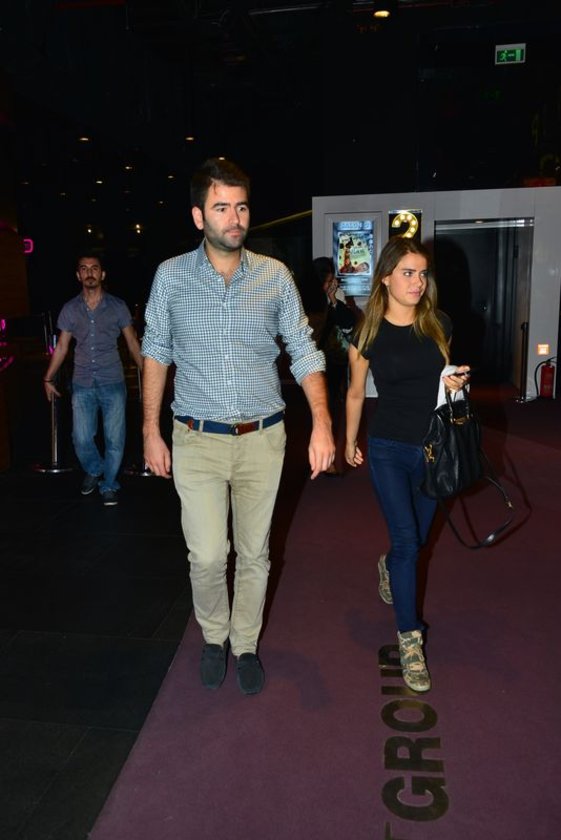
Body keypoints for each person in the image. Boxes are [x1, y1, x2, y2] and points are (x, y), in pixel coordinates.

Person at [141, 157, 335, 696]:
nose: (235, 218)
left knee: (254, 554)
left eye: (242, 207)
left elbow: (304, 351)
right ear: (198, 216)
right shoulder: (171, 276)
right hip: (196, 438)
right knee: (207, 555)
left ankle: (245, 643)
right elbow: (155, 352)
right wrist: (150, 431)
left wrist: (322, 423)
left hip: (262, 438)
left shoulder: (274, 276)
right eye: (222, 208)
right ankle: (214, 635)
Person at [344, 237, 469, 693]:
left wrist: (456, 383)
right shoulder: (367, 334)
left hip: (434, 448)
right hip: (388, 449)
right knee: (407, 541)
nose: (418, 282)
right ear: (385, 278)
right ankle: (410, 640)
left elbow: (444, 383)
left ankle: (388, 565)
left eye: (422, 273)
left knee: (412, 544)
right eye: (408, 273)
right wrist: (348, 440)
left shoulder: (439, 323)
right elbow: (355, 392)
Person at [43, 254, 143, 506]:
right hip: (82, 382)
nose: (89, 273)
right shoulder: (70, 309)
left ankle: (109, 483)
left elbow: (132, 342)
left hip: (113, 380)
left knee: (114, 439)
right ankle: (96, 468)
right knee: (81, 438)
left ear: (102, 274)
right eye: (84, 269)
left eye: (94, 268)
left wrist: (148, 373)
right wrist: (48, 377)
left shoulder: (118, 306)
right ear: (78, 275)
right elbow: (62, 346)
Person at [306, 256, 357, 474]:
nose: (331, 284)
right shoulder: (304, 301)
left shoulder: (337, 297)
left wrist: (334, 300)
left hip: (333, 361)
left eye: (332, 280)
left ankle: (329, 459)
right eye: (327, 281)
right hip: (310, 363)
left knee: (330, 411)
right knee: (314, 411)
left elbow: (349, 324)